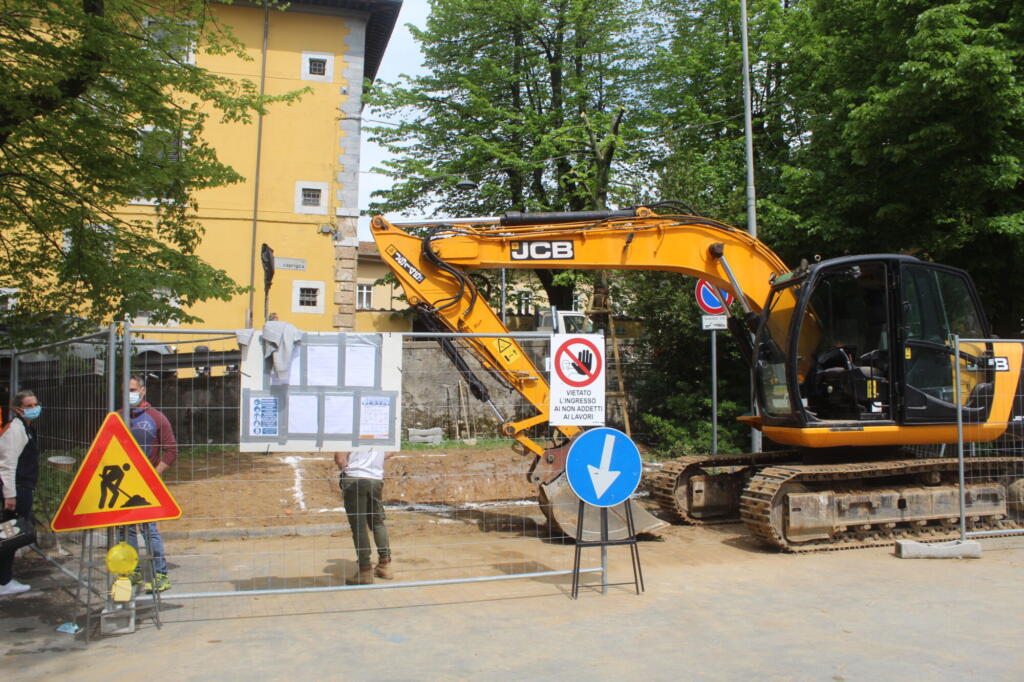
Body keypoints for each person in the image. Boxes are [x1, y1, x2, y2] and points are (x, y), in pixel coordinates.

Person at [126, 375, 177, 593]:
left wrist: (153, 475)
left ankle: (160, 574)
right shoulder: (117, 417)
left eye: (133, 389)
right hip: (124, 484)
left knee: (149, 530)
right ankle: (131, 570)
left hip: (147, 485)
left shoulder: (157, 418)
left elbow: (172, 451)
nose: (130, 394)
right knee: (125, 530)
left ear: (143, 390)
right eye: (126, 390)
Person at [0, 390, 41, 597]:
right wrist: (10, 495)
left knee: (10, 533)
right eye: (29, 406)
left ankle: (5, 578)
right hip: (17, 490)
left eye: (35, 404)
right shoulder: (15, 430)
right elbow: (7, 465)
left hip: (22, 487)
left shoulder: (25, 428)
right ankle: (4, 581)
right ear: (18, 409)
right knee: (11, 534)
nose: (34, 409)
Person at [334, 448, 394, 585]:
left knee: (359, 526)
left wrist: (349, 468)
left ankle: (365, 569)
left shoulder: (349, 430)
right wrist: (373, 461)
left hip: (354, 478)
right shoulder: (380, 429)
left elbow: (340, 458)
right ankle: (385, 564)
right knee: (378, 522)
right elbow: (390, 451)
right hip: (376, 479)